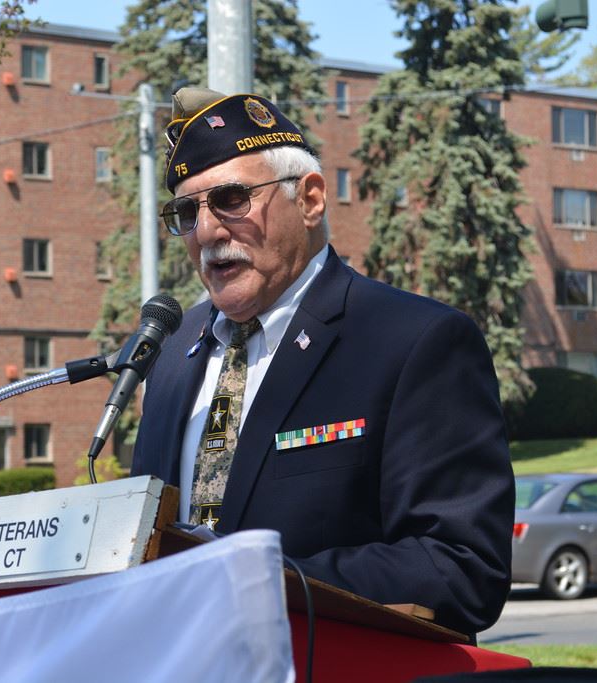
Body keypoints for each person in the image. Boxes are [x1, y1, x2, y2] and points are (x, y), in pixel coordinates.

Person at [131, 87, 514, 637]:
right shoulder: (173, 348)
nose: (208, 232)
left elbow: (461, 567)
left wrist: (254, 581)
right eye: (187, 212)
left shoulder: (414, 341)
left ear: (310, 199)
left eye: (232, 199)